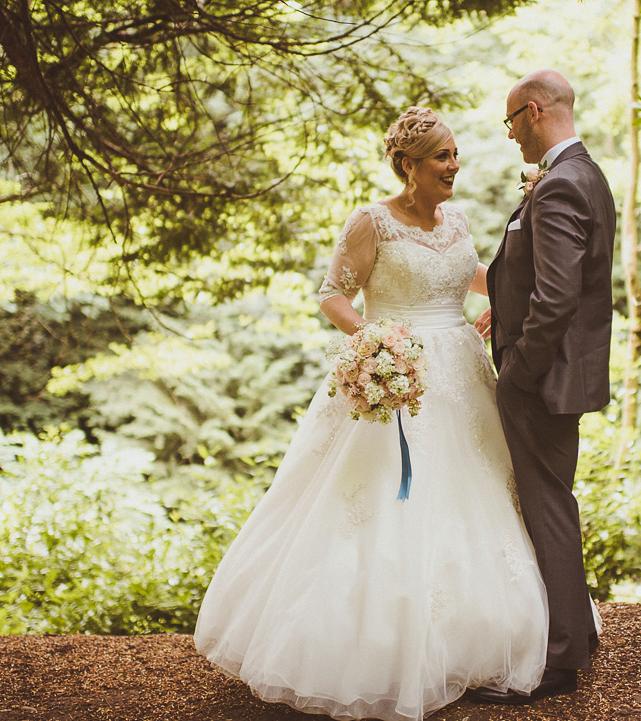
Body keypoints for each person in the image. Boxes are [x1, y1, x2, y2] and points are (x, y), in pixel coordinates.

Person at [194, 107, 549, 721]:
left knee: (478, 493)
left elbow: (474, 278)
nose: (454, 166)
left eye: (455, 153)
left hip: (462, 371)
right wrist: (376, 343)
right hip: (394, 374)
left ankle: (475, 636)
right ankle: (372, 644)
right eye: (442, 156)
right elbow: (332, 293)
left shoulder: (457, 219)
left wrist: (510, 304)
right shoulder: (371, 222)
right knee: (380, 500)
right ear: (408, 165)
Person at [472, 69, 616, 705]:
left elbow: (557, 298)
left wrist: (517, 376)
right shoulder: (583, 175)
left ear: (532, 112)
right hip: (562, 373)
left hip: (544, 379)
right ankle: (577, 636)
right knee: (555, 500)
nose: (511, 138)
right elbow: (540, 278)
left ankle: (559, 664)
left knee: (548, 507)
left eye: (510, 123)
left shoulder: (558, 186)